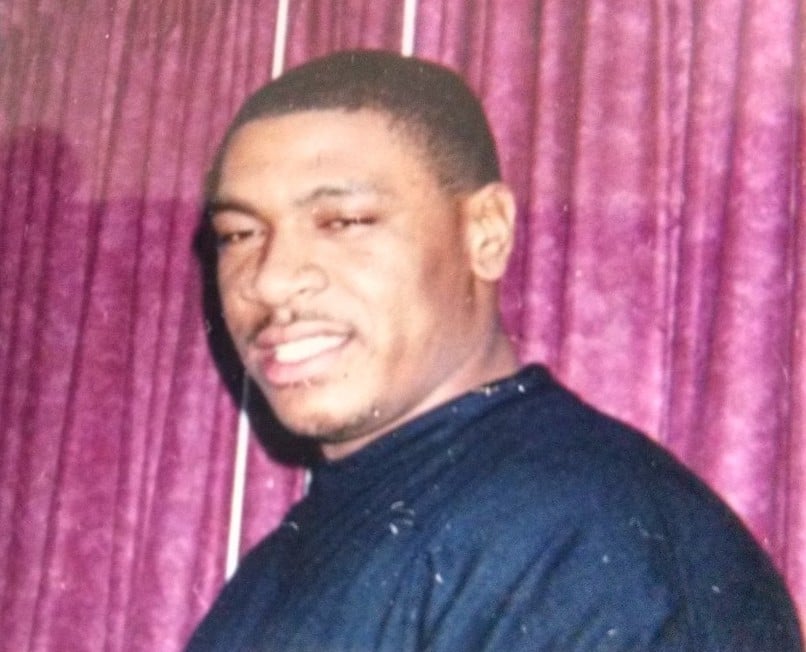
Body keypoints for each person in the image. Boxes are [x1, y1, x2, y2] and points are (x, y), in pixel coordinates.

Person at [187, 50, 803, 651]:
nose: (269, 280)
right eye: (238, 234)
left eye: (343, 222)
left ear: (486, 233)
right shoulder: (283, 562)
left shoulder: (590, 542)